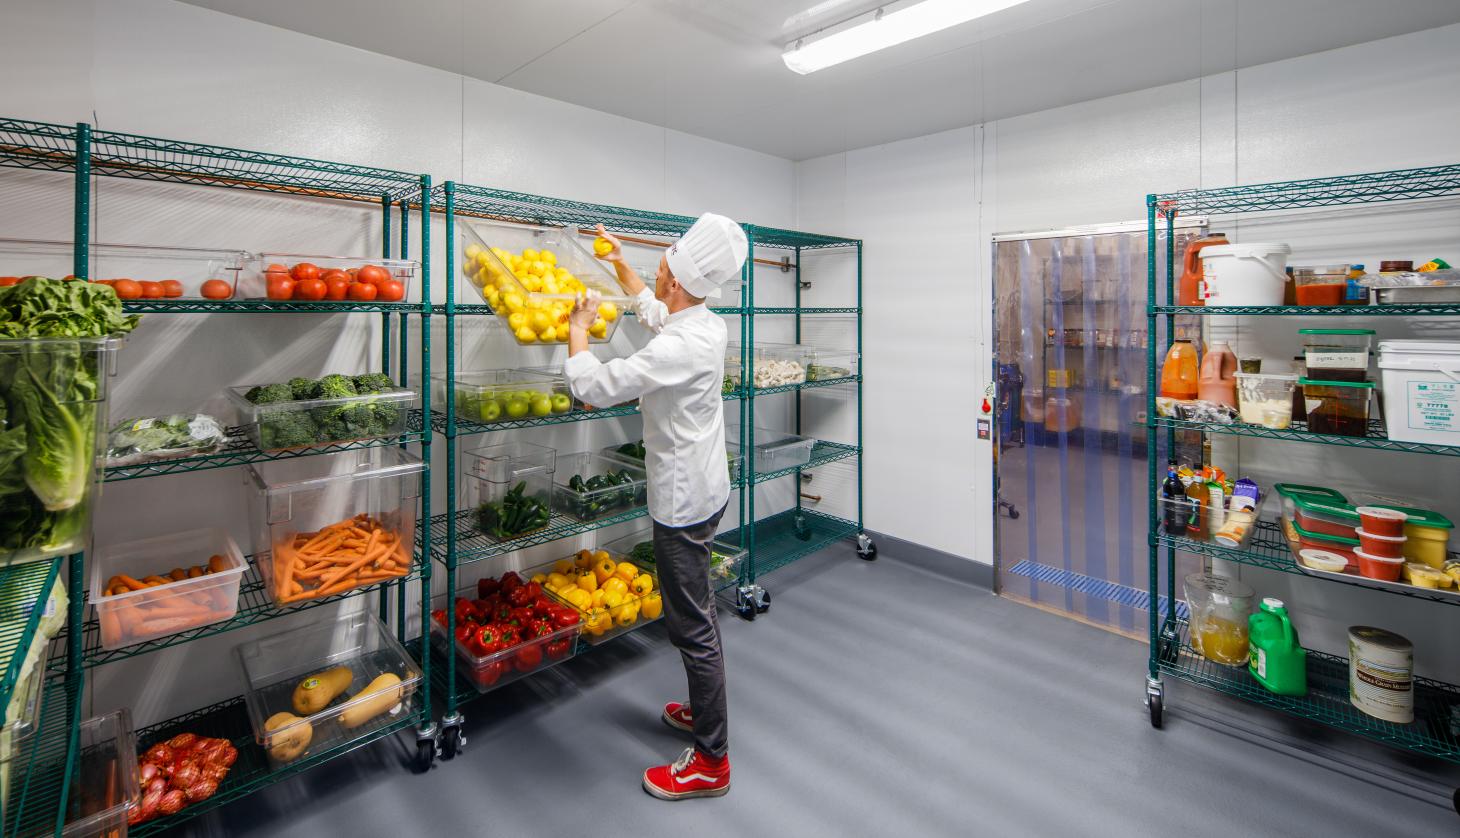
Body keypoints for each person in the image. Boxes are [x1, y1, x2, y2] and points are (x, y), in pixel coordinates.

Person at [563, 213, 747, 800]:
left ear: (673, 277)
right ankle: (703, 711)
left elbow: (594, 386)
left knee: (693, 627)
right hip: (707, 486)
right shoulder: (704, 324)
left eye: (660, 264)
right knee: (697, 617)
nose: (656, 266)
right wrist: (617, 262)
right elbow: (658, 312)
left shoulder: (678, 348)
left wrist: (578, 331)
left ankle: (712, 762)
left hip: (683, 501)